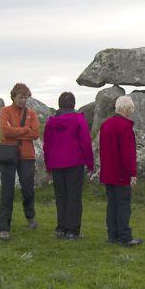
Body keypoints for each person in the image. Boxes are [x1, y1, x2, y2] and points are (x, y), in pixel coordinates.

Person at [43, 92, 94, 240]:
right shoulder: (79, 119)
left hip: (56, 163)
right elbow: (85, 142)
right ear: (73, 104)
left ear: (59, 104)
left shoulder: (51, 121)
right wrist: (89, 163)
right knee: (74, 196)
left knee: (61, 196)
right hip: (74, 162)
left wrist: (48, 165)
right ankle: (72, 230)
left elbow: (47, 144)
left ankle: (61, 228)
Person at [0, 83, 41, 241]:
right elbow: (3, 130)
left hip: (27, 156)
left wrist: (14, 133)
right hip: (8, 154)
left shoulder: (32, 113)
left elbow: (35, 133)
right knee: (7, 191)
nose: (23, 100)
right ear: (13, 97)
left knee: (28, 189)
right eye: (20, 97)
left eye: (26, 97)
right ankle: (4, 227)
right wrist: (24, 131)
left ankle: (30, 216)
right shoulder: (5, 111)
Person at [99, 95, 142, 246]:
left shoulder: (105, 125)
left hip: (108, 171)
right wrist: (132, 173)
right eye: (131, 109)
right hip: (121, 173)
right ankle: (125, 236)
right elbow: (128, 153)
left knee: (112, 204)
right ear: (126, 108)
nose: (131, 111)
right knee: (123, 205)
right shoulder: (125, 127)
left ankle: (113, 235)